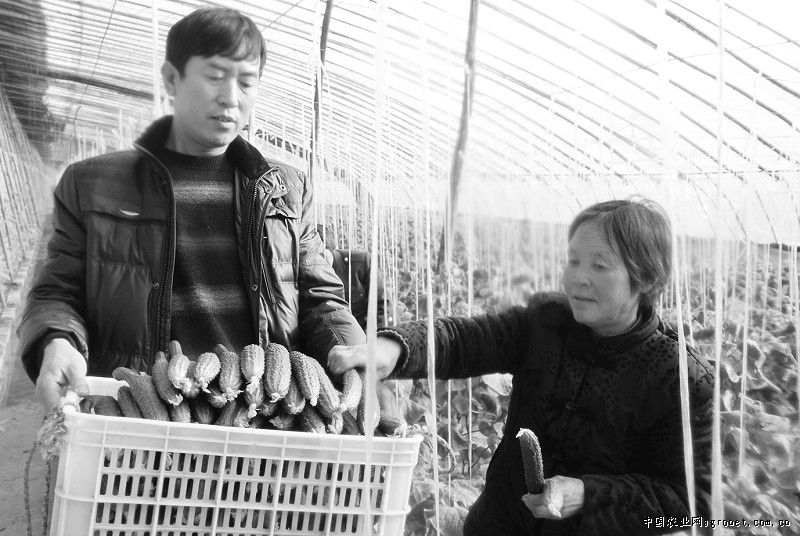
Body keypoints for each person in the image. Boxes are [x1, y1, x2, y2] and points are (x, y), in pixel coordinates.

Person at [19, 7, 365, 410]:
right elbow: (57, 292)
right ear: (171, 78)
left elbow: (320, 298)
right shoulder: (92, 186)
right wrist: (56, 340)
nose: (231, 98)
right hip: (143, 411)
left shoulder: (285, 190)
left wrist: (352, 352)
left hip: (258, 411)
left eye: (247, 82)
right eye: (214, 77)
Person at [329, 199, 714, 535]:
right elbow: (466, 339)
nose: (577, 278)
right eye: (573, 260)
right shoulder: (546, 322)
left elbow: (689, 507)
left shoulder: (680, 379)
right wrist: (395, 348)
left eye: (599, 265)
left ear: (646, 278)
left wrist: (589, 494)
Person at [317, 224, 387, 329]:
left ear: (327, 251)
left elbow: (381, 305)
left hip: (363, 331)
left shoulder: (361, 262)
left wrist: (374, 335)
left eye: (319, 255)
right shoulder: (306, 273)